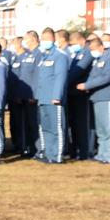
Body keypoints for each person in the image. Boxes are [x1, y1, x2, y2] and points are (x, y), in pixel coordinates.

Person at [76, 37, 110, 164]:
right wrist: (87, 85)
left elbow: (107, 77)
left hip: (108, 96)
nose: (92, 52)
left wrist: (87, 85)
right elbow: (94, 75)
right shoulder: (99, 59)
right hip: (97, 97)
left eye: (93, 49)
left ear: (100, 47)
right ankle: (102, 154)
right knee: (101, 129)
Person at [34, 29, 69, 164]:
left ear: (53, 39)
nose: (44, 41)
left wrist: (57, 96)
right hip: (43, 97)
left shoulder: (60, 55)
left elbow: (60, 77)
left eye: (46, 39)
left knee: (56, 128)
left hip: (54, 98)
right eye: (43, 39)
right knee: (46, 127)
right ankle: (49, 154)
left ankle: (57, 155)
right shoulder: (45, 56)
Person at [65, 32, 94, 160]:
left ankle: (84, 152)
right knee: (73, 124)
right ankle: (74, 150)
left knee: (82, 124)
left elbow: (78, 70)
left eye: (73, 44)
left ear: (81, 41)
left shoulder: (87, 52)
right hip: (72, 92)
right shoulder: (76, 53)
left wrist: (63, 80)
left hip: (81, 94)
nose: (72, 46)